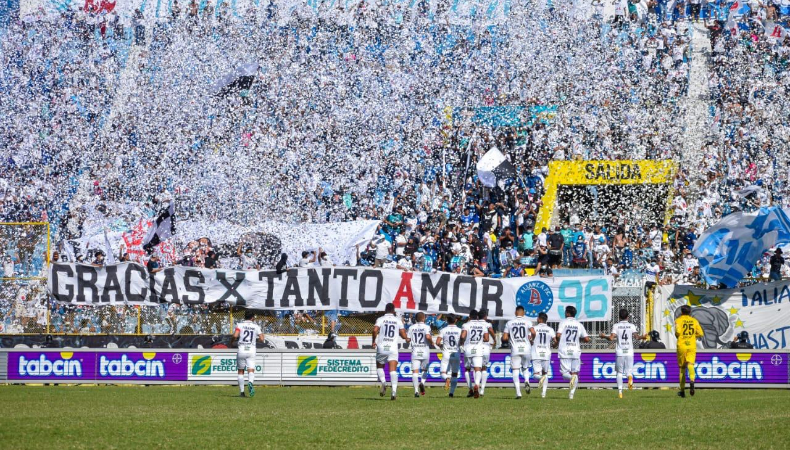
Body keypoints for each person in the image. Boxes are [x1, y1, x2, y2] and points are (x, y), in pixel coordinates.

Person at [599, 309, 647, 398]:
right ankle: (629, 377)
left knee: (619, 373)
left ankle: (620, 392)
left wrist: (603, 336)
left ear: (619, 317)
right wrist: (642, 337)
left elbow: (611, 338)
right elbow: (636, 337)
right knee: (629, 371)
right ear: (627, 317)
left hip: (620, 352)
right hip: (629, 352)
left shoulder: (616, 326)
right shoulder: (631, 326)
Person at [372, 303, 408, 400]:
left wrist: (373, 341)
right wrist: (407, 338)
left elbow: (375, 330)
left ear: (385, 310)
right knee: (393, 370)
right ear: (394, 310)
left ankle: (384, 382)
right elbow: (403, 335)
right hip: (393, 348)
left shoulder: (380, 319)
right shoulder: (398, 320)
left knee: (379, 367)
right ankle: (394, 392)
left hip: (382, 347)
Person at [556, 305, 590, 400]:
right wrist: (579, 340)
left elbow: (558, 335)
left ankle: (572, 379)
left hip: (565, 350)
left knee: (564, 373)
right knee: (575, 373)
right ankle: (571, 394)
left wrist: (558, 340)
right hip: (575, 351)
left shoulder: (563, 323)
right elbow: (587, 339)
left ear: (567, 313)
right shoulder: (579, 325)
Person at [502, 305, 535, 399]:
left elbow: (504, 338)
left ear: (515, 313)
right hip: (526, 348)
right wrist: (532, 339)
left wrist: (507, 339)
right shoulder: (528, 322)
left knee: (515, 370)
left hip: (515, 349)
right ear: (523, 313)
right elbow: (533, 332)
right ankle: (527, 381)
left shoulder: (509, 323)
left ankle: (518, 393)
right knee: (525, 368)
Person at [232, 310, 264, 398]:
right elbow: (262, 338)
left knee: (240, 371)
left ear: (244, 317)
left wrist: (231, 341)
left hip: (242, 349)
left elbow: (235, 336)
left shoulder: (240, 325)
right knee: (251, 369)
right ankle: (250, 382)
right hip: (251, 350)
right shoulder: (256, 326)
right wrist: (256, 340)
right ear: (252, 318)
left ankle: (242, 392)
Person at [674, 305, 704, 398]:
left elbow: (678, 332)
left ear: (681, 312)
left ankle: (682, 391)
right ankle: (692, 380)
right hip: (691, 345)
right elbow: (701, 333)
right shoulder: (694, 321)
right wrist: (693, 336)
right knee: (690, 364)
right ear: (690, 312)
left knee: (682, 368)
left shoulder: (678, 320)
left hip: (682, 345)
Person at [460, 309, 489, 399]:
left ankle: (470, 389)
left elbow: (462, 336)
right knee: (478, 369)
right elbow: (487, 338)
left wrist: (462, 342)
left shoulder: (466, 325)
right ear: (477, 317)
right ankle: (477, 384)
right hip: (479, 349)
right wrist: (479, 340)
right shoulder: (482, 326)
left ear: (469, 316)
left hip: (468, 349)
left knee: (467, 369)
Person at [407, 312, 433, 397]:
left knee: (415, 372)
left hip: (415, 351)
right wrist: (432, 342)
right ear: (423, 318)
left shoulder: (411, 327)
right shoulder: (426, 327)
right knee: (425, 370)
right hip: (425, 351)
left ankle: (416, 391)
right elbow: (428, 337)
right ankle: (422, 382)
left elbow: (408, 339)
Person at [436, 314, 462, 396]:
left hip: (446, 353)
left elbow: (437, 342)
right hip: (456, 353)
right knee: (454, 374)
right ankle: (451, 393)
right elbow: (462, 341)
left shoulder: (443, 330)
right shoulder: (460, 330)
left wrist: (441, 346)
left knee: (443, 373)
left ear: (447, 320)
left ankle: (447, 378)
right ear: (456, 320)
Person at [531, 312, 554, 398]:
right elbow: (555, 340)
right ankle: (543, 393)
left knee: (536, 375)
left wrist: (531, 341)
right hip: (546, 353)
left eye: (537, 318)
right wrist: (554, 344)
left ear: (540, 319)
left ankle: (541, 379)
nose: (537, 319)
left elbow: (530, 338)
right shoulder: (550, 329)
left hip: (536, 353)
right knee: (545, 373)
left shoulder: (534, 328)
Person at [478, 309, 496, 396]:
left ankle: (476, 386)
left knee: (476, 368)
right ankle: (482, 389)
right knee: (484, 368)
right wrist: (495, 339)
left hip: (476, 347)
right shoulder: (488, 324)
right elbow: (491, 332)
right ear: (485, 316)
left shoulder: (475, 324)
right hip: (485, 348)